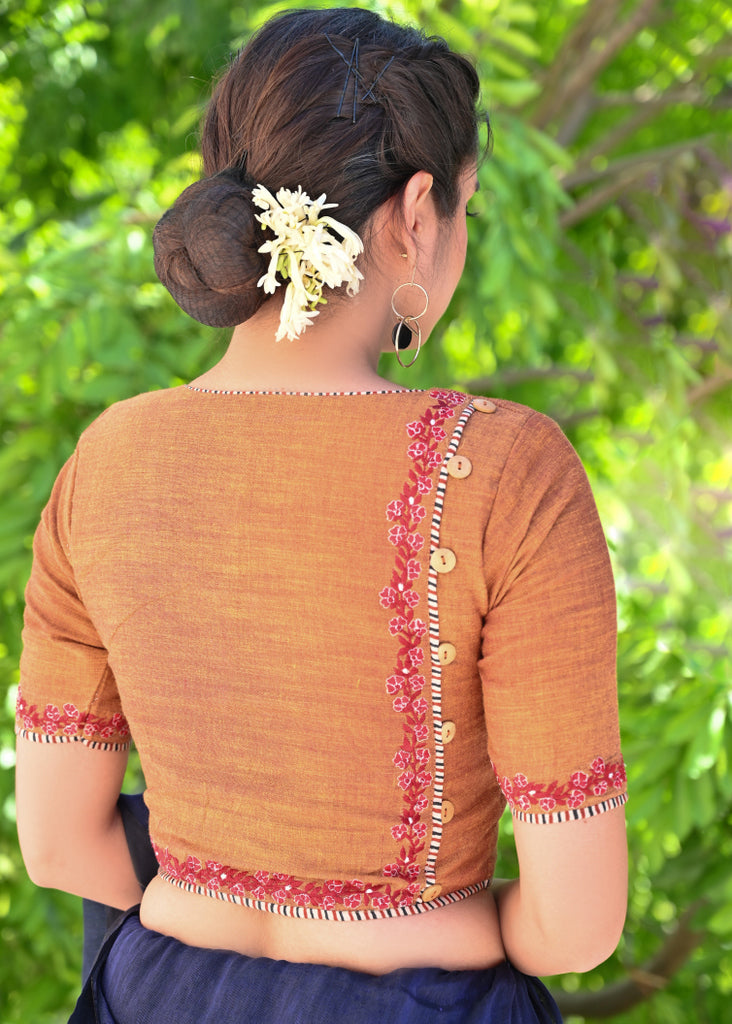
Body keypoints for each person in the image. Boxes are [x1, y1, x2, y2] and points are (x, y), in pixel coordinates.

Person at [14, 7, 628, 1023]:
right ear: (418, 211)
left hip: (156, 992)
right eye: (464, 210)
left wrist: (214, 904)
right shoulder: (506, 470)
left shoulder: (105, 460)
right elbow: (576, 924)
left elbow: (56, 845)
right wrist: (443, 927)